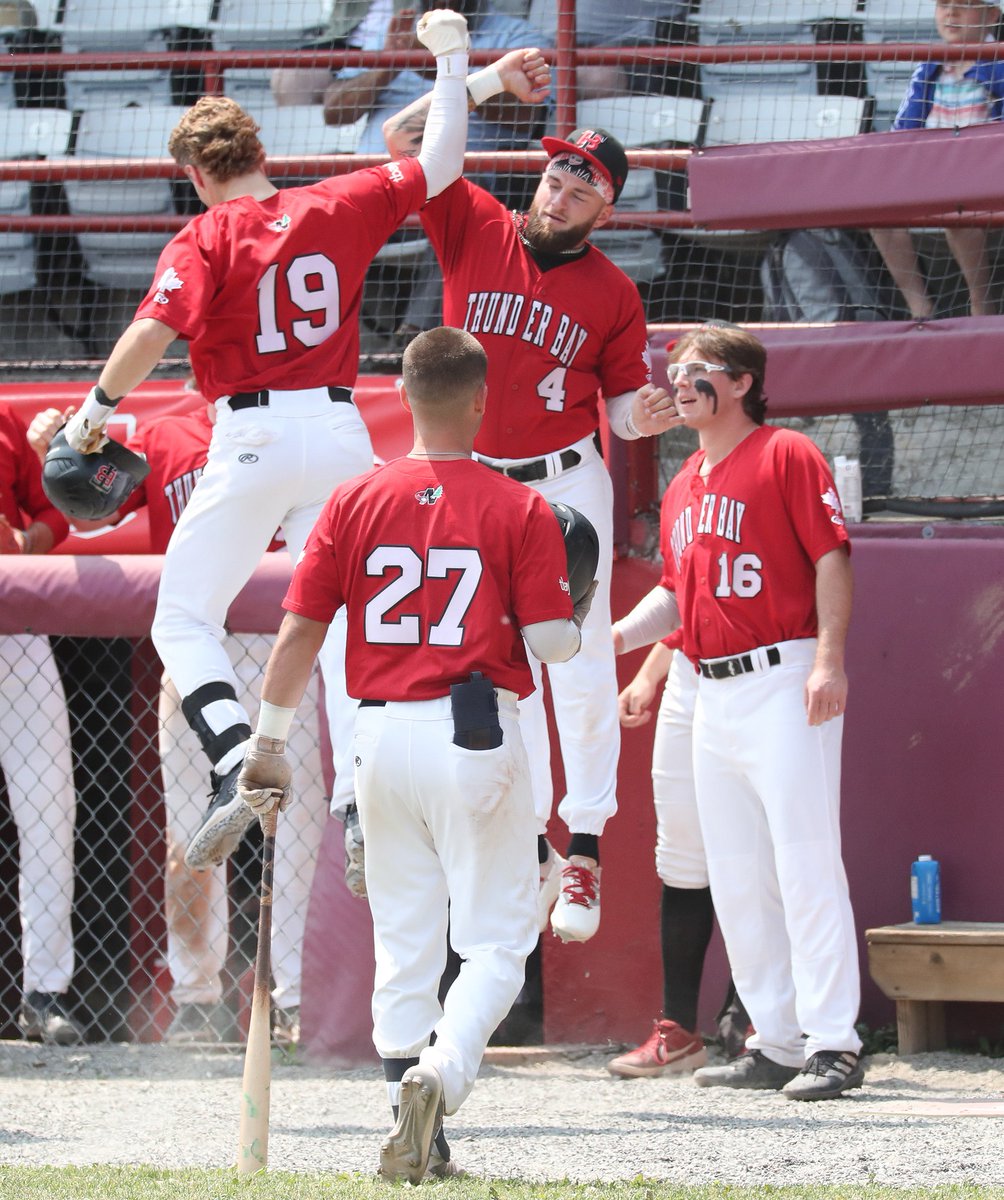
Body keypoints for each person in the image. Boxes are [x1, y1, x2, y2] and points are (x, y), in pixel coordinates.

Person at [59, 8, 477, 876]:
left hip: (250, 431)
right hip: (338, 430)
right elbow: (440, 165)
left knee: (182, 616)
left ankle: (234, 759)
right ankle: (362, 797)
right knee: (343, 628)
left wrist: (93, 411)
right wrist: (453, 62)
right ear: (259, 155)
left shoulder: (207, 231)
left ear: (195, 173)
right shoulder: (337, 200)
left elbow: (151, 334)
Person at [234, 326, 595, 1180]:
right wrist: (569, 610)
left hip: (378, 734)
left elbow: (298, 631)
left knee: (404, 948)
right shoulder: (520, 506)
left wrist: (269, 742)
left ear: (400, 396)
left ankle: (421, 1139)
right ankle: (441, 1073)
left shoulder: (353, 501)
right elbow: (551, 645)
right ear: (481, 400)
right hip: (473, 731)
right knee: (498, 943)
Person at [383, 104, 677, 942]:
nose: (561, 193)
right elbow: (405, 143)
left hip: (563, 481)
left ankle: (583, 844)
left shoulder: (614, 293)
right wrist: (475, 77)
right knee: (486, 659)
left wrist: (642, 418)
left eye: (582, 188)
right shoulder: (472, 220)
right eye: (556, 176)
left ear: (606, 210)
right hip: (472, 478)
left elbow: (618, 407)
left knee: (577, 665)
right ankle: (530, 836)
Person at [615, 323, 864, 1100]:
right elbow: (676, 598)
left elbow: (831, 555)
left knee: (804, 857)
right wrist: (607, 645)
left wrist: (829, 659)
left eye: (699, 371)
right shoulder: (686, 476)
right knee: (736, 871)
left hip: (782, 673)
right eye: (675, 368)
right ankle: (778, 1040)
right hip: (711, 686)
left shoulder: (787, 452)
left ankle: (835, 1043)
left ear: (744, 382)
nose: (680, 381)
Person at [28, 401, 328, 1045]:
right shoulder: (165, 432)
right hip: (200, 655)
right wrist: (55, 452)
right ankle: (196, 997)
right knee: (191, 834)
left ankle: (293, 998)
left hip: (285, 649)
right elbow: (95, 510)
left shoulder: (306, 428)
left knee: (299, 834)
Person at [273, 0, 554, 344]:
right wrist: (391, 63)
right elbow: (335, 110)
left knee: (457, 193)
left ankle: (416, 340)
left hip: (453, 181)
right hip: (376, 179)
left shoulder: (516, 36)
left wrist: (444, 69)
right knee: (293, 194)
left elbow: (529, 120)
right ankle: (284, 331)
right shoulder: (398, 31)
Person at [605, 629, 750, 1077]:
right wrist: (650, 672)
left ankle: (757, 1017)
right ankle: (678, 1029)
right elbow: (682, 594)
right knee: (681, 856)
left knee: (751, 849)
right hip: (689, 674)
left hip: (758, 666)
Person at [0, 402, 83, 1046]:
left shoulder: (5, 420)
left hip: (12, 630)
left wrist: (35, 539)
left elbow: (58, 507)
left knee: (49, 804)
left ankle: (44, 991)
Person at [871, 0, 1004, 319]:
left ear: (992, 16)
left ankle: (980, 304)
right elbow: (904, 128)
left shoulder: (998, 62)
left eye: (965, 5)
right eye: (944, 4)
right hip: (933, 171)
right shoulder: (930, 64)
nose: (951, 13)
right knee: (875, 210)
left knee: (958, 215)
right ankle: (920, 307)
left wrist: (976, 66)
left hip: (986, 174)